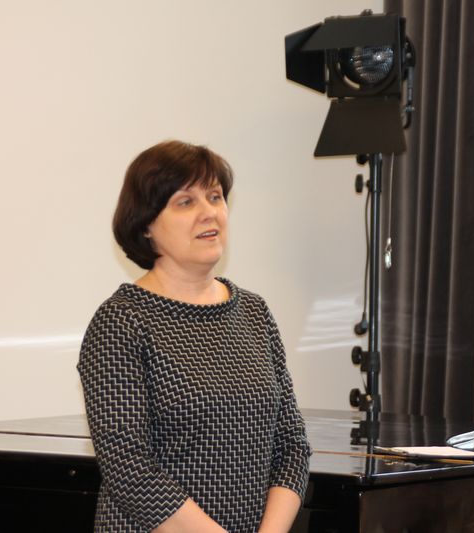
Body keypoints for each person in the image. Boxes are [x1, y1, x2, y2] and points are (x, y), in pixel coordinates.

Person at [77, 140, 311, 533]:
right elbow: (129, 467)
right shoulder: (121, 321)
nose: (209, 212)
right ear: (146, 225)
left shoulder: (254, 312)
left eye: (215, 197)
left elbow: (291, 446)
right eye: (185, 202)